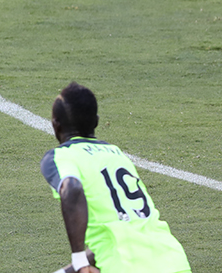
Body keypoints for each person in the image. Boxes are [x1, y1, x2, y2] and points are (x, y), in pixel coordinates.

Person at [41, 82, 193, 273]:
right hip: (174, 262)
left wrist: (79, 261)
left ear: (55, 125)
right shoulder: (117, 155)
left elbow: (72, 189)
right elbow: (116, 236)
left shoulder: (61, 157)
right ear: (96, 121)